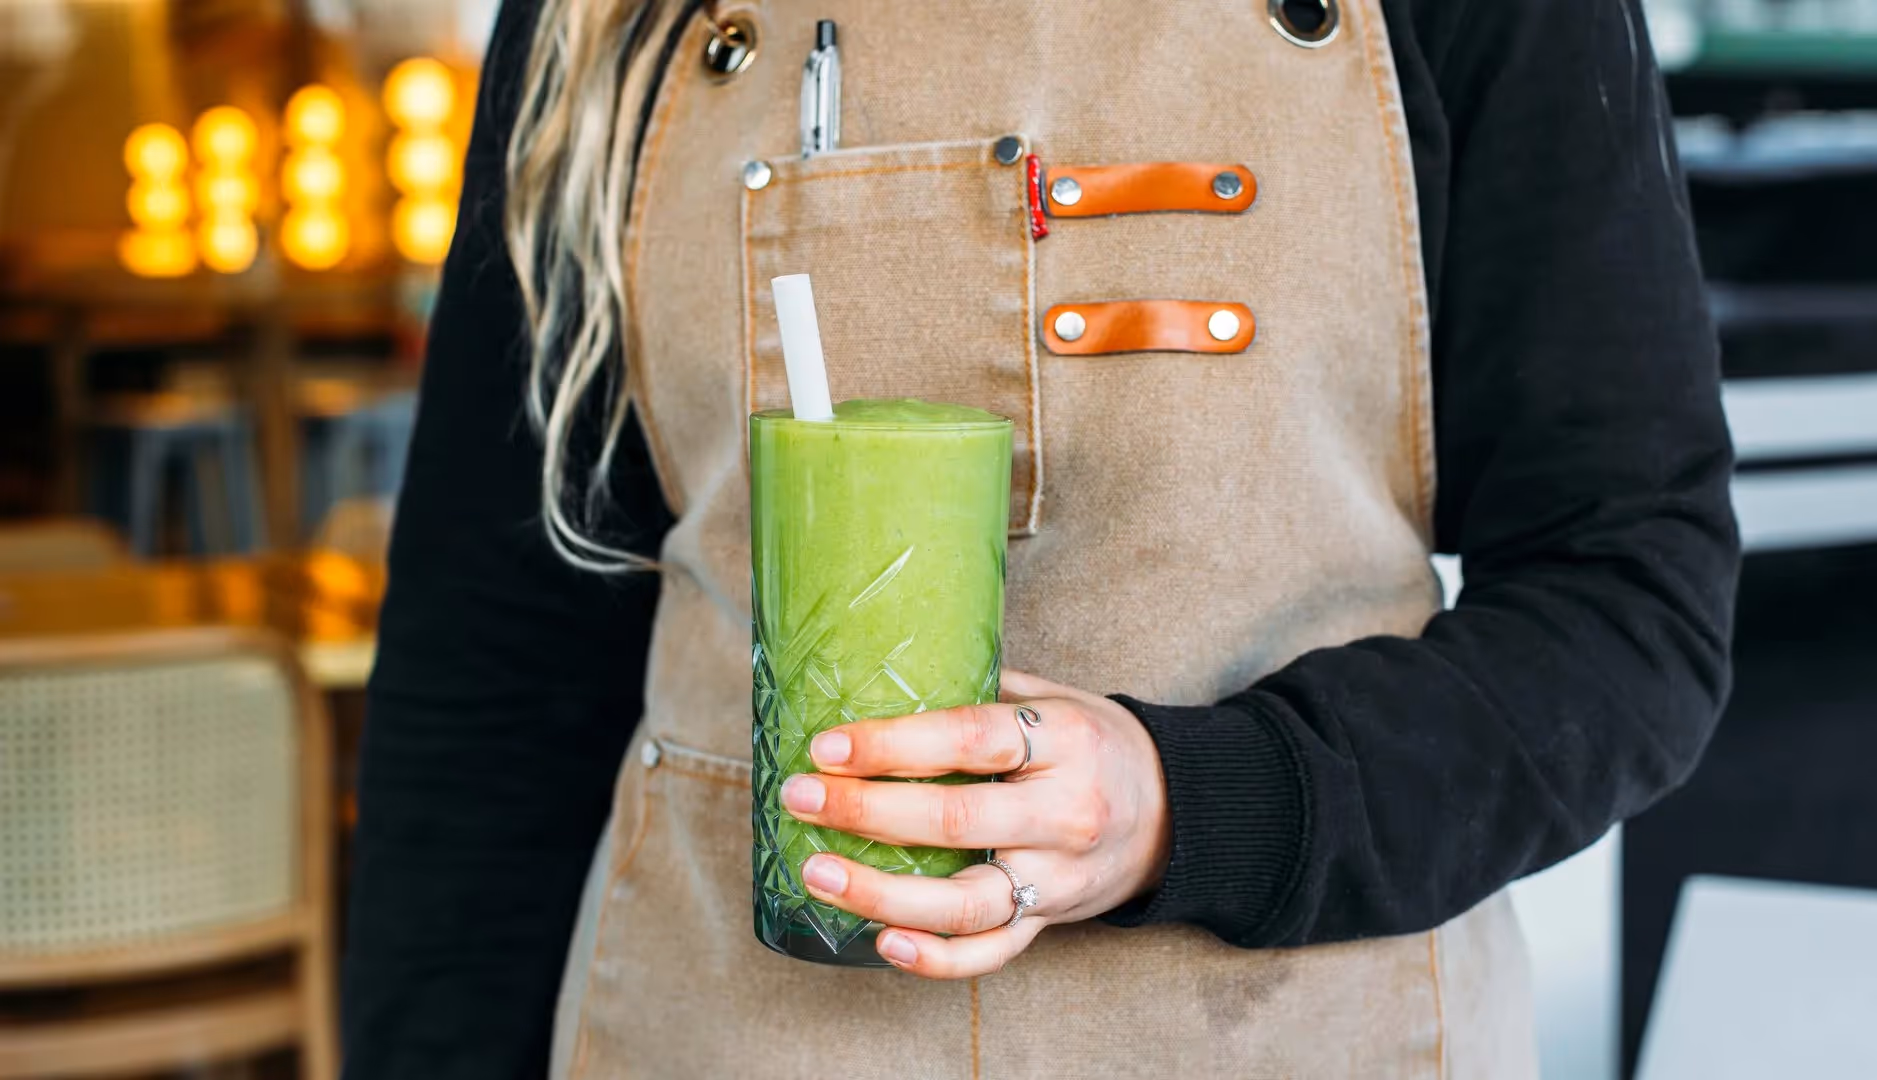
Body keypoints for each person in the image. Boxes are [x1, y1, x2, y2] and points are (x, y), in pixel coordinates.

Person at [342, 0, 1738, 1075]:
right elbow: (492, 689)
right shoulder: (607, 25)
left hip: (1303, 1038)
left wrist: (1193, 801)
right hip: (715, 1034)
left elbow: (1630, 600)